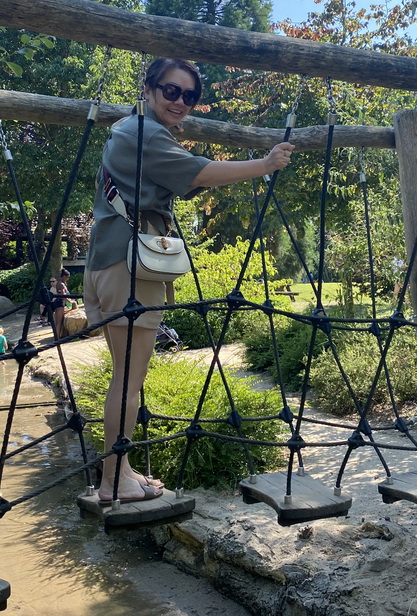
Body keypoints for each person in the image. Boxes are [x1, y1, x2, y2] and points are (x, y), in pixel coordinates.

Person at [84, 57, 293, 504]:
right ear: (149, 88)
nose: (180, 101)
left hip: (112, 262)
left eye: (190, 95)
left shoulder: (132, 130)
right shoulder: (143, 132)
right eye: (171, 91)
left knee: (129, 375)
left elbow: (185, 178)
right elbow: (199, 173)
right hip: (128, 267)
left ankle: (120, 468)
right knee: (129, 377)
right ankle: (111, 482)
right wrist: (265, 163)